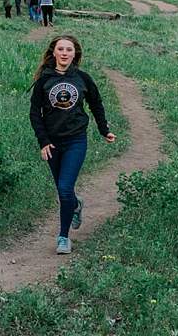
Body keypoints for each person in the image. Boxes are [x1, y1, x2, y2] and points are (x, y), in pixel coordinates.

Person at [29, 35, 117, 254]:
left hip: (76, 140)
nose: (65, 53)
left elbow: (96, 103)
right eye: (61, 49)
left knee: (65, 187)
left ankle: (63, 237)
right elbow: (34, 113)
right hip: (52, 143)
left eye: (69, 49)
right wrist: (44, 141)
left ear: (75, 54)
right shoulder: (44, 80)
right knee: (64, 192)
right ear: (54, 52)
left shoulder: (82, 78)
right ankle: (76, 205)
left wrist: (104, 130)